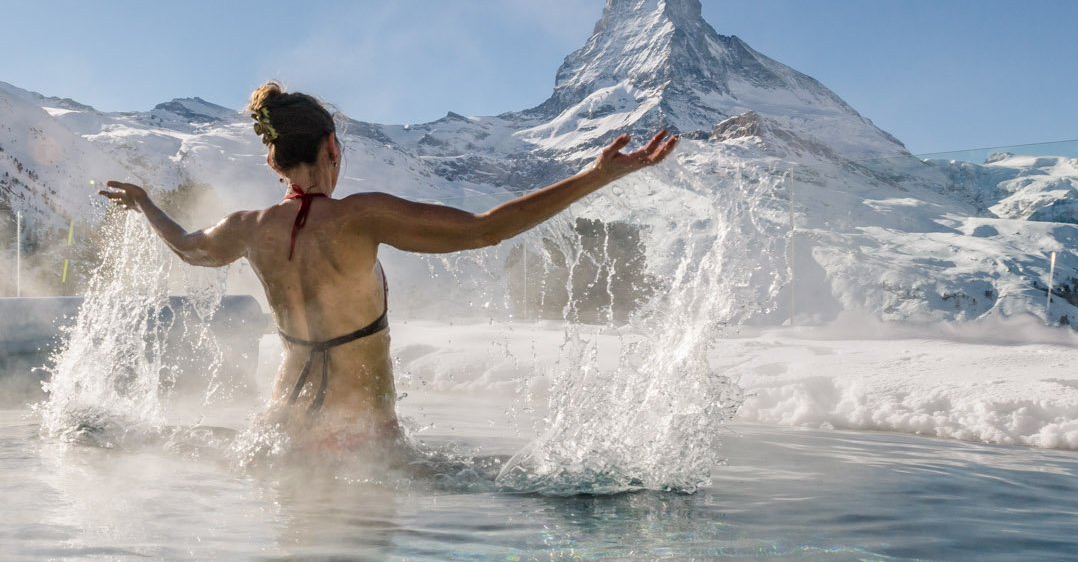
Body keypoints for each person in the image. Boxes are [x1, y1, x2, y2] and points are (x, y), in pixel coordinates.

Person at [100, 81, 679, 444]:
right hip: (359, 435)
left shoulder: (249, 229)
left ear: (276, 162)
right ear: (331, 147)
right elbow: (485, 231)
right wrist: (595, 176)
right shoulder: (359, 217)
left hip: (279, 427)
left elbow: (187, 247)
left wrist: (147, 204)